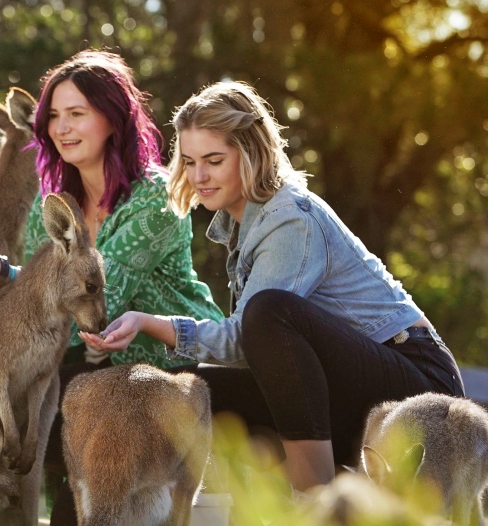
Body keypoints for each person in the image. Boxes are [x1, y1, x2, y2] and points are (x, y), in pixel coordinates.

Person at [79, 80, 465, 494]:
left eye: (213, 160)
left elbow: (246, 337)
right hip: (356, 391)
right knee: (194, 390)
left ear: (250, 154)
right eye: (189, 162)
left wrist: (149, 321)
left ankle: (314, 500)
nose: (200, 176)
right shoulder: (241, 222)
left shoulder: (289, 217)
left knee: (268, 311)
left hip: (421, 394)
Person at [0, 49, 224, 522]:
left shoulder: (157, 198)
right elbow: (44, 293)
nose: (61, 128)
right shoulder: (53, 203)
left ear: (113, 120)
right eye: (53, 116)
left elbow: (100, 294)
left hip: (167, 360)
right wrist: (1, 271)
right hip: (91, 365)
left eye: (77, 114)